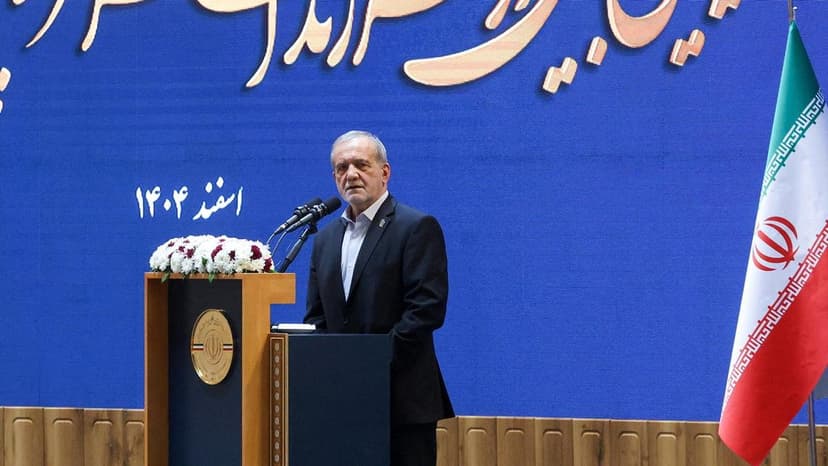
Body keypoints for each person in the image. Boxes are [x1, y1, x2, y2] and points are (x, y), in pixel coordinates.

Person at [304, 130, 454, 466]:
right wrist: (333, 368)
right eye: (341, 168)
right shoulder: (324, 240)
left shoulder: (415, 227)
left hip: (401, 401)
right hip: (342, 403)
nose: (351, 174)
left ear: (384, 172)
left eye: (361, 165)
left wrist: (369, 364)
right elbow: (316, 318)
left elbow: (426, 310)